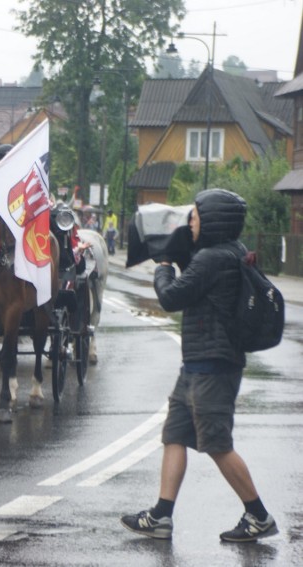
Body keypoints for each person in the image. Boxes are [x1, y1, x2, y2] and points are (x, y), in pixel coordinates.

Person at [120, 188, 278, 543]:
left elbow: (171, 297)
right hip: (197, 363)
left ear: (213, 221)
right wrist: (180, 256)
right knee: (175, 434)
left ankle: (258, 515)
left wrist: (162, 266)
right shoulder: (225, 252)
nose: (188, 221)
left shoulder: (213, 259)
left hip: (213, 366)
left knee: (217, 443)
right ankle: (161, 515)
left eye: (194, 216)